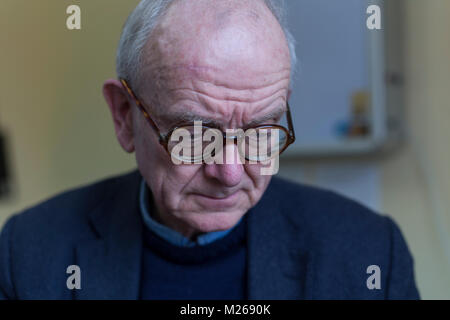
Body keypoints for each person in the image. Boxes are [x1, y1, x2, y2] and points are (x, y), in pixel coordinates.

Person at [0, 0, 419, 299]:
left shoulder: (370, 254)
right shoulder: (30, 253)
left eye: (260, 130)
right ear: (124, 115)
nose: (231, 173)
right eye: (195, 135)